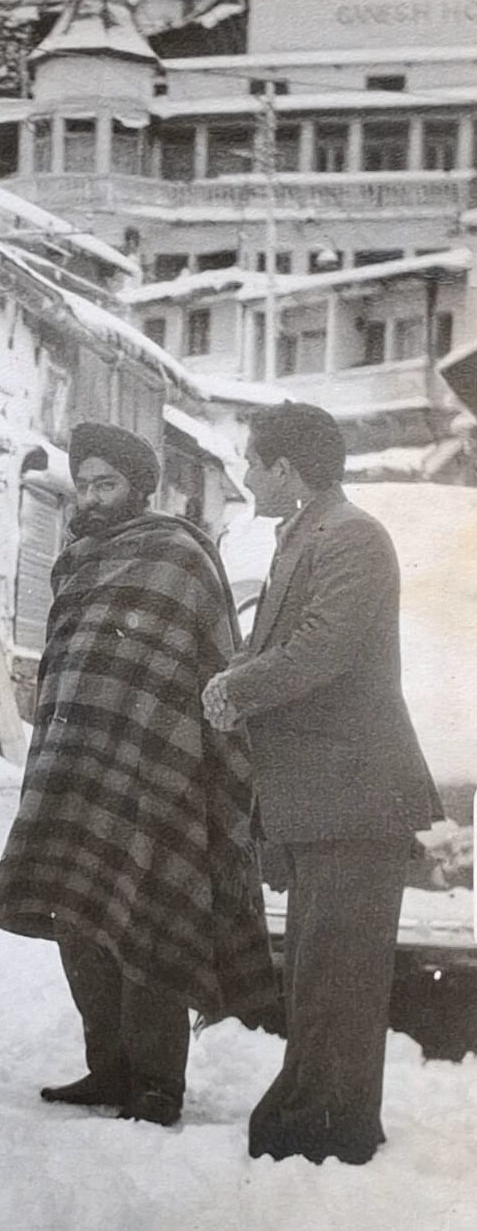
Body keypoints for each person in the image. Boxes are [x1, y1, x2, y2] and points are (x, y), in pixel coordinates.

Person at [0, 423, 274, 1127]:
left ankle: (158, 1084)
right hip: (75, 761)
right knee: (78, 917)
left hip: (156, 765)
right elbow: (64, 663)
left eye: (105, 484)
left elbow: (213, 661)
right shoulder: (74, 560)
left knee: (149, 912)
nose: (91, 496)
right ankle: (107, 1068)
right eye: (84, 484)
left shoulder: (180, 555)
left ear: (139, 488)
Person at [202, 402, 442, 1165]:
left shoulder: (351, 536)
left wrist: (236, 689)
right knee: (316, 971)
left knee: (338, 975)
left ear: (286, 468)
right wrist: (230, 676)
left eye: (252, 462)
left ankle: (329, 1129)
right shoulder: (306, 534)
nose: (245, 477)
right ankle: (321, 1118)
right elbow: (270, 648)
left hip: (354, 796)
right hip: (321, 797)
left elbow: (319, 650)